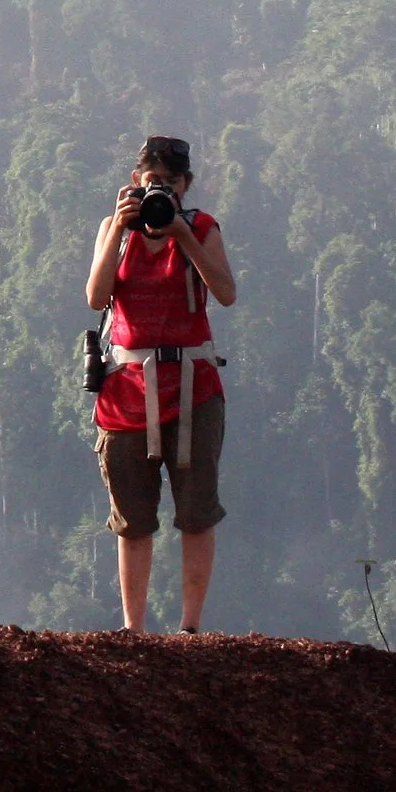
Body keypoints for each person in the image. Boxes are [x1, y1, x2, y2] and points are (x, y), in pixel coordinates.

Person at [83, 134, 237, 633]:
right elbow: (96, 295)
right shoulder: (116, 229)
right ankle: (134, 628)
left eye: (170, 184)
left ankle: (189, 628)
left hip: (193, 386)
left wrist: (181, 235)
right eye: (152, 182)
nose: (160, 191)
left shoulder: (202, 228)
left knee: (196, 511)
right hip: (127, 389)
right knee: (133, 518)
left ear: (186, 186)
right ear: (135, 182)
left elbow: (226, 292)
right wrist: (120, 229)